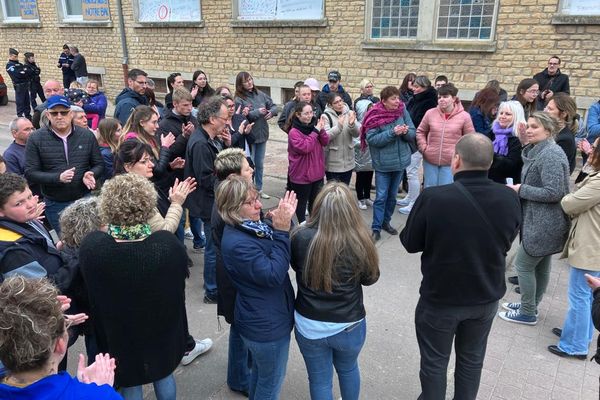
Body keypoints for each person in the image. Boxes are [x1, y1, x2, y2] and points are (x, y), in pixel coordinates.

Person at [400, 133, 521, 400]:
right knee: (471, 360)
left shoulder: (433, 197)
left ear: (456, 160)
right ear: (490, 163)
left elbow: (410, 243)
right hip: (485, 296)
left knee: (434, 362)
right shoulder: (509, 198)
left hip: (441, 299)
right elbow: (508, 239)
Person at [79, 174, 187, 399]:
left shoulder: (92, 247)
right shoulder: (167, 246)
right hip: (160, 331)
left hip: (119, 334)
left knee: (128, 380)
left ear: (106, 207)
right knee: (164, 373)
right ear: (149, 206)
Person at [291, 182, 380, 400]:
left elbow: (295, 266)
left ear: (318, 207)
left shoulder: (300, 237)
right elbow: (370, 278)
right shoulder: (360, 239)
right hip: (349, 323)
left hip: (309, 324)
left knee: (319, 379)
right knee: (348, 369)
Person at [216, 175, 297, 400]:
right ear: (233, 208)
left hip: (263, 318)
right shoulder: (237, 243)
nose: (259, 205)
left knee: (260, 375)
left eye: (258, 198)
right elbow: (273, 274)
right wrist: (281, 231)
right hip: (266, 327)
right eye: (251, 202)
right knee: (270, 384)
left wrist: (274, 222)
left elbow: (264, 244)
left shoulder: (249, 227)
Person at [499, 112, 571, 325]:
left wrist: (521, 189)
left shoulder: (551, 154)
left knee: (523, 265)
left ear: (548, 131)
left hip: (546, 222)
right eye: (528, 125)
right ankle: (530, 305)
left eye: (534, 127)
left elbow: (554, 192)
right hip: (539, 219)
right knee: (541, 266)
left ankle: (528, 311)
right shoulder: (540, 150)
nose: (529, 130)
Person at [0, 276, 122, 399]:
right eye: (66, 325)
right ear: (60, 345)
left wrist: (77, 386)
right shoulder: (102, 396)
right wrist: (100, 391)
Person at [548, 141, 600, 360]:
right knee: (588, 295)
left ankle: (575, 345)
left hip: (591, 246)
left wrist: (567, 196)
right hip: (593, 245)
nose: (589, 151)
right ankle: (578, 334)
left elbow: (570, 203)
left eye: (594, 149)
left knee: (579, 295)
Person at [24, 95, 104, 233]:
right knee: (67, 244)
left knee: (91, 238)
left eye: (64, 112)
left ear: (71, 114)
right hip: (56, 203)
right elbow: (30, 173)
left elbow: (99, 164)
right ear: (48, 115)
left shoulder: (86, 135)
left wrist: (91, 174)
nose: (59, 116)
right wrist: (57, 178)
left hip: (84, 198)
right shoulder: (36, 138)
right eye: (54, 113)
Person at [212, 148, 255, 397]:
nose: (252, 171)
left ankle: (242, 371)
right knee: (240, 327)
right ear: (233, 177)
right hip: (232, 274)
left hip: (231, 271)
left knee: (241, 325)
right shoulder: (227, 204)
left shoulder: (229, 196)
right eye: (247, 169)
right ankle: (239, 378)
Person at [185, 96, 231, 303]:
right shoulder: (201, 143)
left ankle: (212, 284)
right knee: (213, 249)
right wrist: (231, 175)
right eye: (224, 117)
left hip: (213, 201)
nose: (227, 121)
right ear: (212, 119)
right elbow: (206, 179)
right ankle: (211, 291)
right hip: (209, 203)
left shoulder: (212, 139)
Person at [362, 86, 415, 241]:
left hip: (400, 162)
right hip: (383, 164)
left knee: (392, 197)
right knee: (381, 197)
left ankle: (386, 222)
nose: (397, 101)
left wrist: (405, 131)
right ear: (384, 101)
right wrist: (392, 133)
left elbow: (413, 130)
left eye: (398, 98)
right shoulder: (373, 115)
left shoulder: (402, 110)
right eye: (393, 99)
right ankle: (376, 227)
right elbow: (371, 139)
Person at [416, 83, 476, 188]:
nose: (441, 100)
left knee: (446, 190)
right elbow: (421, 131)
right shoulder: (430, 113)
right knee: (430, 189)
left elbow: (470, 138)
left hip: (451, 162)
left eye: (445, 97)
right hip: (430, 159)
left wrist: (459, 155)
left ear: (453, 98)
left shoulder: (464, 117)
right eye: (439, 97)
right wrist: (424, 148)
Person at [234, 71, 278, 199]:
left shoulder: (261, 94)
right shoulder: (239, 99)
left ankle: (259, 188)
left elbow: (274, 106)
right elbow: (241, 116)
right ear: (240, 84)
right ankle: (249, 189)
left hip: (262, 133)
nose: (249, 82)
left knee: (260, 164)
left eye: (250, 79)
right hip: (249, 136)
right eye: (246, 81)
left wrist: (272, 112)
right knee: (250, 164)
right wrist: (257, 112)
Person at [400, 76, 438, 213]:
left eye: (417, 87)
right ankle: (410, 197)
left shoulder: (429, 102)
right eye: (414, 86)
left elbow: (419, 122)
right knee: (410, 170)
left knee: (412, 172)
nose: (414, 89)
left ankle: (414, 202)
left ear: (425, 87)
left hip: (419, 141)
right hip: (411, 138)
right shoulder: (415, 99)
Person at [286, 101, 329, 223]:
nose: (310, 116)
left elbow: (325, 141)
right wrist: (316, 131)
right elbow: (305, 147)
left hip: (317, 173)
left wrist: (321, 130)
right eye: (306, 113)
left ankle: (314, 223)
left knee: (315, 202)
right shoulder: (294, 132)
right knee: (301, 202)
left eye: (311, 112)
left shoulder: (315, 126)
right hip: (301, 175)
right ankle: (302, 224)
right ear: (298, 115)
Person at [323, 92, 361, 185]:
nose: (340, 104)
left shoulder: (349, 113)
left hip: (348, 162)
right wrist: (339, 126)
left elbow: (357, 134)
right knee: (333, 192)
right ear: (330, 105)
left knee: (345, 190)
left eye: (341, 101)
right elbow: (326, 137)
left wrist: (352, 124)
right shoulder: (325, 116)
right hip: (333, 164)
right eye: (336, 102)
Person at [488, 101, 526, 184]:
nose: (502, 116)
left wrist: (490, 154)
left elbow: (512, 166)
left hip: (508, 183)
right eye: (501, 113)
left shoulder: (519, 138)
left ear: (517, 117)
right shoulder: (491, 133)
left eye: (508, 114)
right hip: (488, 180)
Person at [544, 92, 577, 174]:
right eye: (546, 107)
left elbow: (553, 169)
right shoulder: (552, 131)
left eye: (550, 109)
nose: (545, 111)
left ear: (563, 114)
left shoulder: (565, 139)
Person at [6, 48, 33, 119]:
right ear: (10, 56)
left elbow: (27, 73)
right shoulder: (9, 65)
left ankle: (28, 116)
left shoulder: (19, 64)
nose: (16, 58)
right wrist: (23, 73)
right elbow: (17, 75)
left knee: (27, 101)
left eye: (17, 56)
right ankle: (20, 116)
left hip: (25, 85)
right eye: (15, 56)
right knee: (20, 102)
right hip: (19, 86)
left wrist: (23, 73)